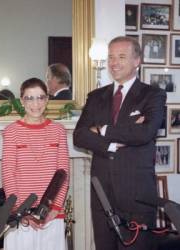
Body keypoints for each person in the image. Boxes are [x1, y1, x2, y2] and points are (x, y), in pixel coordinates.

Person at [73, 36, 166, 250]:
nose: (114, 63)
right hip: (101, 194)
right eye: (111, 57)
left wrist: (102, 130)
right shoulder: (96, 96)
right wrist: (112, 144)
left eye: (121, 57)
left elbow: (145, 132)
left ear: (137, 61)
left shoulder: (153, 95)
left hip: (137, 195)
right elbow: (79, 136)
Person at [1, 78, 69, 250]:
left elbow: (64, 172)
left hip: (52, 213)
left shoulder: (58, 130)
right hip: (22, 214)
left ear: (47, 100)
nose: (36, 103)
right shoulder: (11, 131)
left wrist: (54, 208)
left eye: (40, 97)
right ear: (22, 101)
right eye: (29, 98)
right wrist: (19, 211)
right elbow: (8, 173)